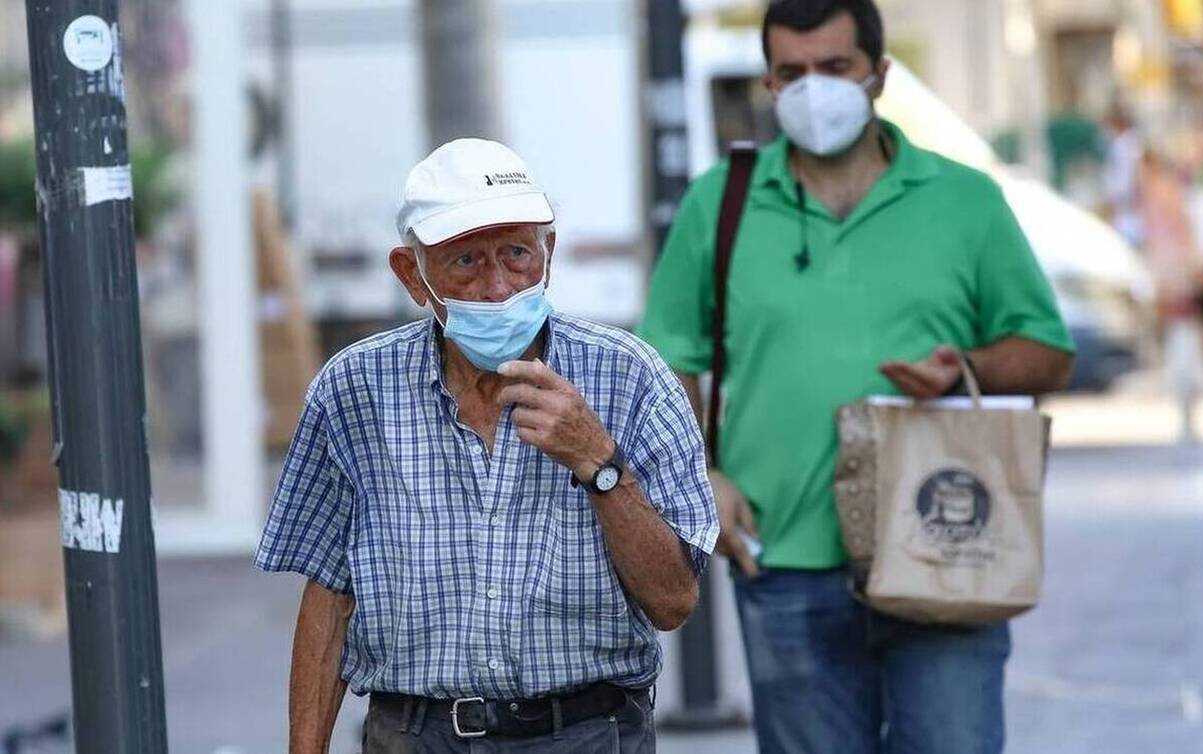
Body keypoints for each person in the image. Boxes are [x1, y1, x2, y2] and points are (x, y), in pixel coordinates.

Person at [637, 1, 1076, 752]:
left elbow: (1048, 353)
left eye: (836, 67)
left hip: (946, 549)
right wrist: (700, 474)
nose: (815, 88)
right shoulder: (721, 202)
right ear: (769, 83)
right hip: (782, 560)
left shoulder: (964, 200)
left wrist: (965, 370)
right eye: (793, 72)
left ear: (879, 74)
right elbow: (664, 360)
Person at [255, 138, 718, 753]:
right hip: (415, 735)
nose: (498, 286)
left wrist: (597, 462)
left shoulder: (631, 377)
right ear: (413, 275)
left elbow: (674, 602)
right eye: (467, 261)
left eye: (517, 254)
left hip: (585, 732)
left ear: (549, 254)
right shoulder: (354, 389)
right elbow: (327, 596)